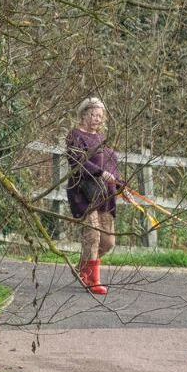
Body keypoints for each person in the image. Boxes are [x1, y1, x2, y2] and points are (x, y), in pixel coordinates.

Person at [65, 96, 120, 295]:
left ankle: (81, 268)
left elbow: (112, 166)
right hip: (83, 193)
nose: (97, 118)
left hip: (104, 195)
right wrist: (98, 171)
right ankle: (92, 280)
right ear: (84, 114)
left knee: (108, 241)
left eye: (100, 115)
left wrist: (122, 187)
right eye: (94, 114)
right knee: (93, 235)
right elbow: (77, 162)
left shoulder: (101, 139)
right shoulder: (74, 136)